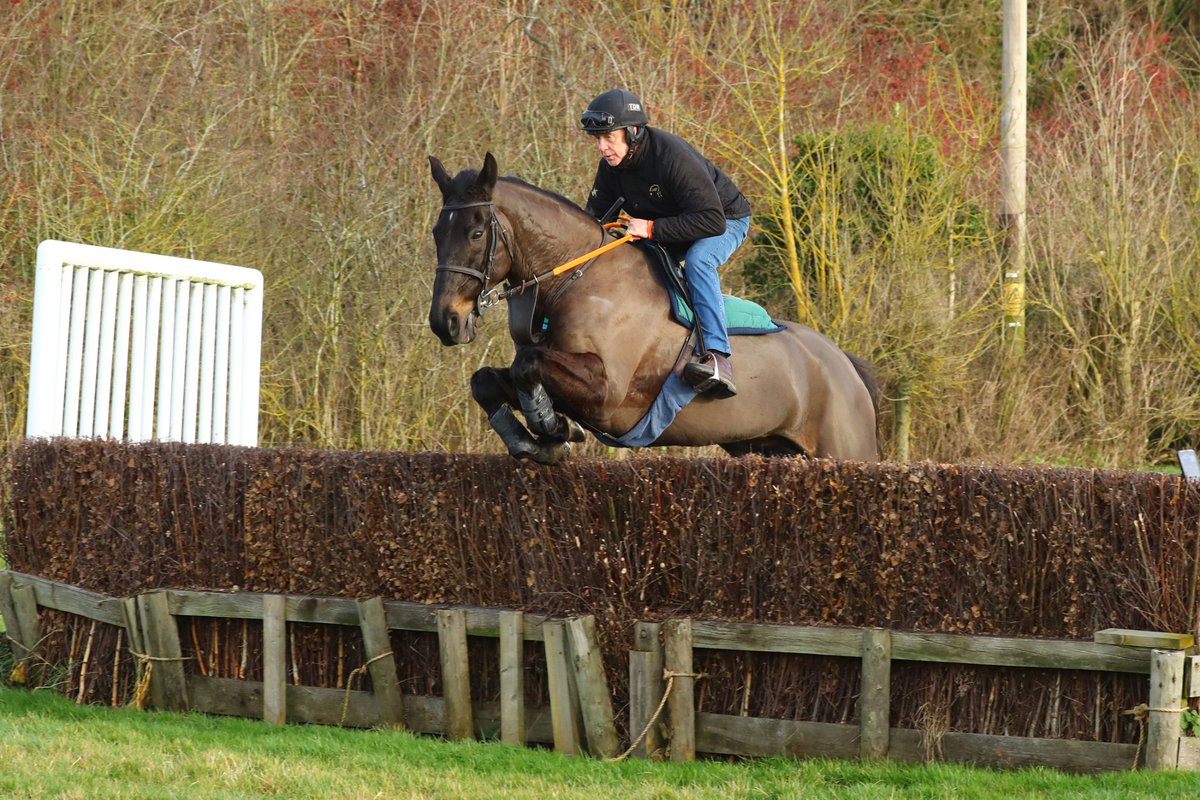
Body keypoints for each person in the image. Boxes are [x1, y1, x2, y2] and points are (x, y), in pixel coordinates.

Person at [580, 88, 751, 398]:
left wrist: (651, 228)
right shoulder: (610, 168)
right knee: (628, 261)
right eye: (598, 140)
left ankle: (717, 356)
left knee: (700, 261)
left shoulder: (671, 157)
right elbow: (593, 222)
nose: (602, 148)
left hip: (724, 220)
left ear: (632, 132)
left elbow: (712, 221)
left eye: (609, 138)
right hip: (673, 226)